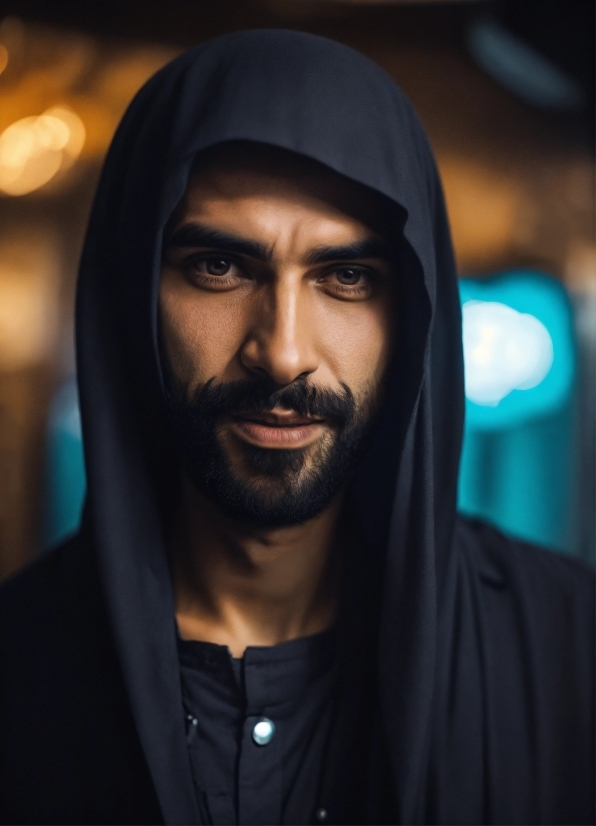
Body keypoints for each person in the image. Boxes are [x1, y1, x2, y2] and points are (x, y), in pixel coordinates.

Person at [0, 30, 593, 826]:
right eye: (220, 267)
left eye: (345, 277)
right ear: (131, 292)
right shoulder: (18, 663)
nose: (281, 353)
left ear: (413, 317)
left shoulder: (569, 651)